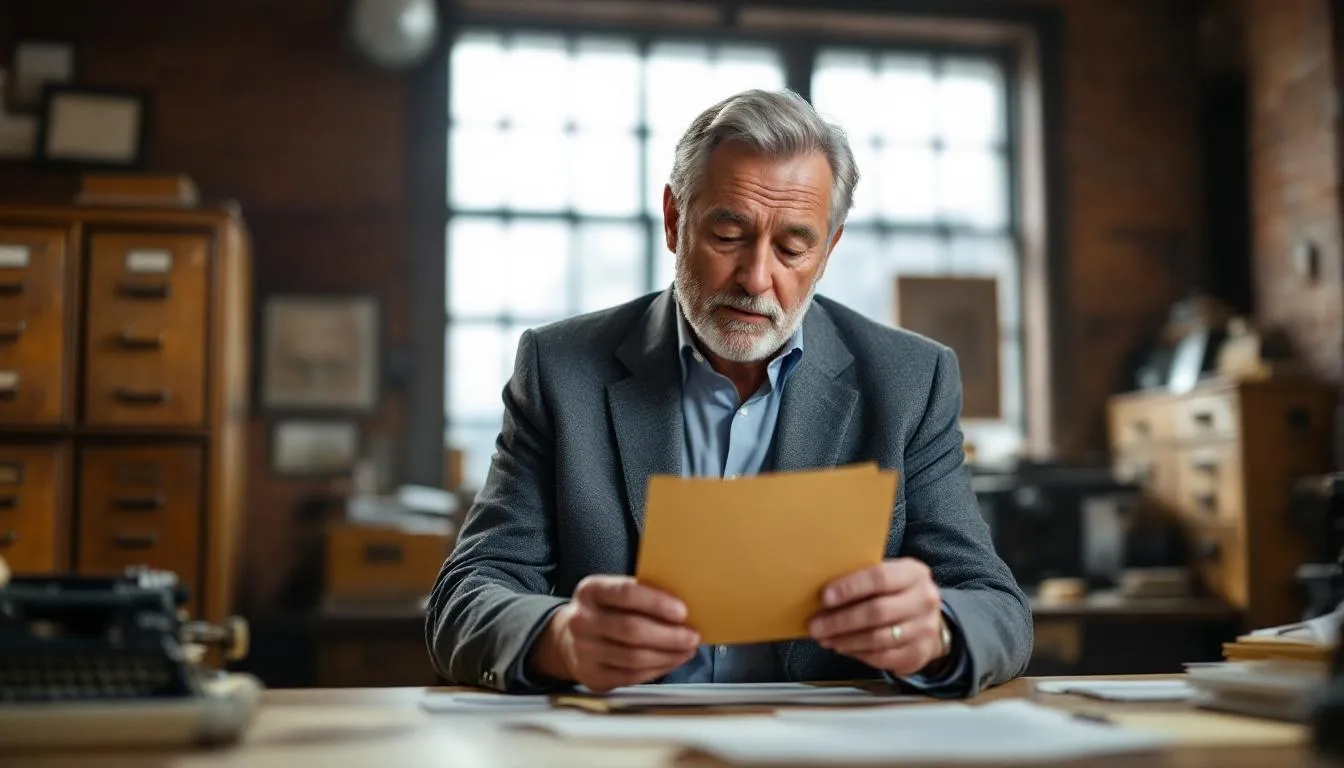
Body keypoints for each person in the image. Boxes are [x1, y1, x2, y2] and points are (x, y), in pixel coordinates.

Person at [426, 88, 1032, 697]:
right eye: (728, 235)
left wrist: (938, 632)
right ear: (673, 219)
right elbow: (467, 594)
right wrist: (558, 638)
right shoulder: (561, 371)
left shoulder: (909, 381)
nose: (756, 277)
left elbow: (997, 607)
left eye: (794, 247)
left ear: (829, 250)